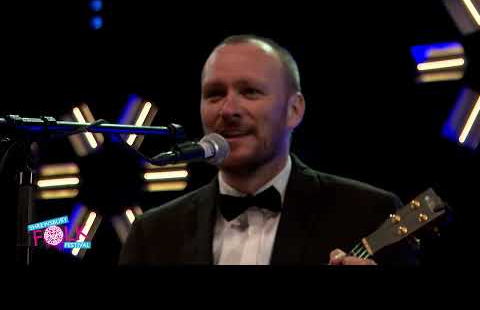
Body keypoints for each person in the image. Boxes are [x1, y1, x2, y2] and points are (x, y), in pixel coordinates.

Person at [119, 34, 419, 266]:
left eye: (249, 92)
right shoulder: (151, 234)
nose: (228, 109)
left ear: (294, 110)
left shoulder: (370, 213)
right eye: (214, 94)